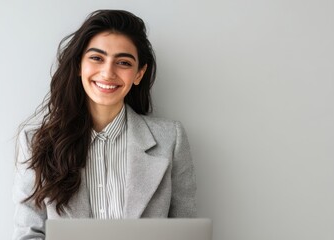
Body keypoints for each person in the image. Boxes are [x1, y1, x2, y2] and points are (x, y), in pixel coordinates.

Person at [13, 9, 197, 239]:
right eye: (96, 58)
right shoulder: (35, 141)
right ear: (79, 64)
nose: (108, 72)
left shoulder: (171, 139)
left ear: (139, 74)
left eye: (123, 62)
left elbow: (187, 232)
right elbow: (28, 233)